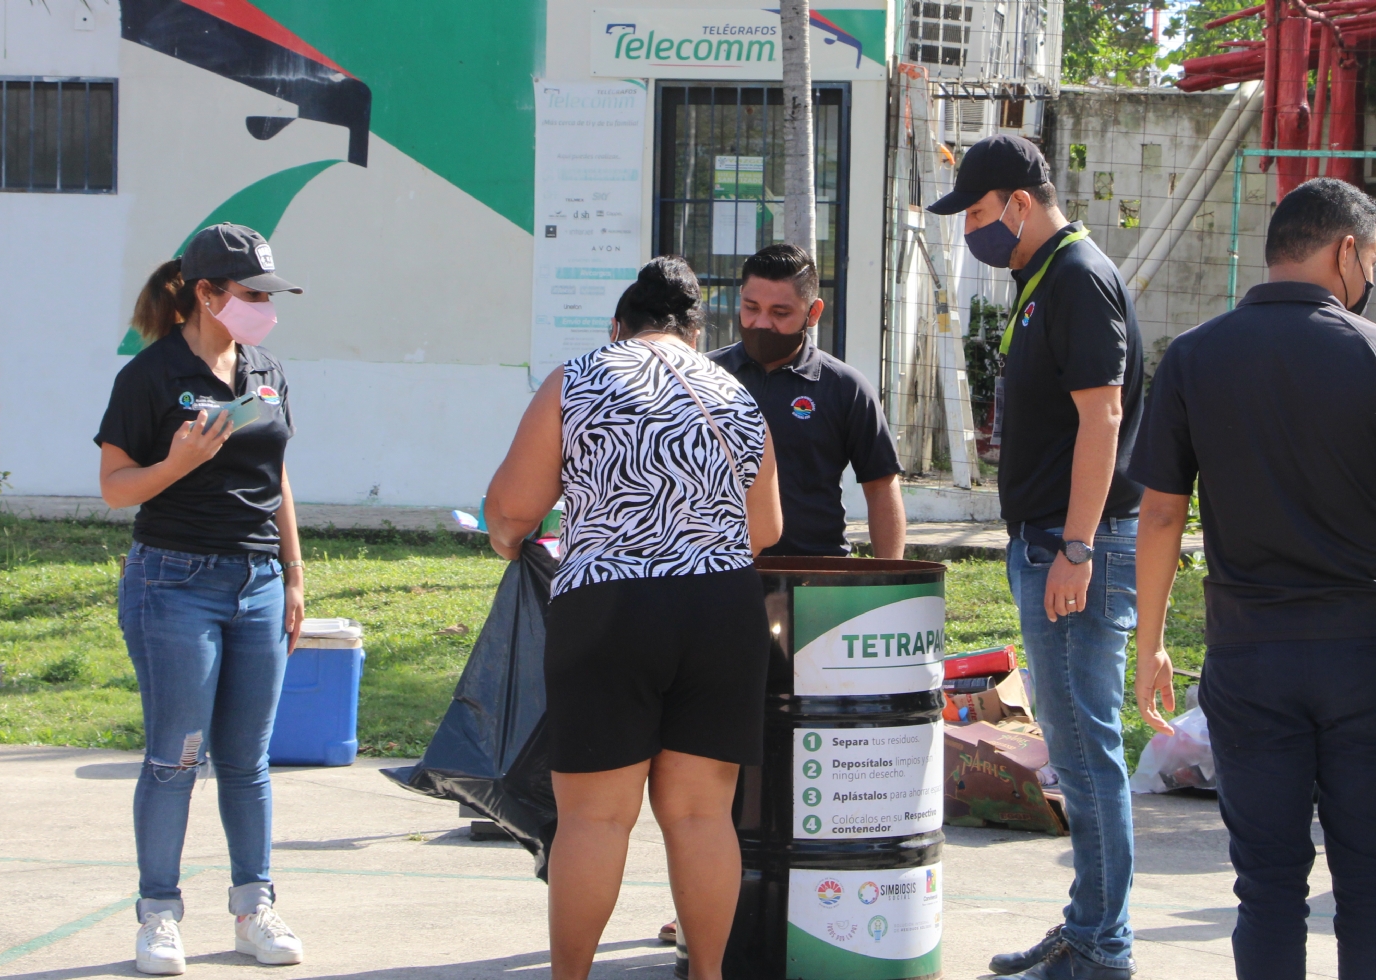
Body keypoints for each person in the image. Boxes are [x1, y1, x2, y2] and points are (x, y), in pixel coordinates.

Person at [1130, 178, 1376, 980]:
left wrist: (1151, 647)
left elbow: (1159, 518)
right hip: (1372, 656)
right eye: (1372, 260)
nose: (1370, 281)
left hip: (1252, 657)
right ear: (1345, 249)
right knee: (1371, 884)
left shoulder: (1194, 356)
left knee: (1269, 885)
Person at [483, 256, 782, 980]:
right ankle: (707, 975)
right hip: (721, 613)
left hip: (611, 610)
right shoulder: (735, 393)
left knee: (595, 818)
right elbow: (765, 527)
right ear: (694, 331)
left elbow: (511, 510)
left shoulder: (580, 376)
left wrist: (510, 541)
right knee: (703, 816)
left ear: (619, 327)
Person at [927, 134, 1145, 979]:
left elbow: (1105, 417)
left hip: (1072, 545)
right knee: (1076, 747)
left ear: (1022, 200)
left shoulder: (1078, 277)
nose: (975, 231)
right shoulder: (1042, 278)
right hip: (1051, 538)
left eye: (980, 214)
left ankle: (1102, 946)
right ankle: (1089, 928)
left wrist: (1079, 547)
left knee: (1086, 753)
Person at [96, 223, 308, 975]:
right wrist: (179, 461)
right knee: (175, 757)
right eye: (251, 294)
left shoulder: (269, 370)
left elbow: (277, 474)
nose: (264, 307)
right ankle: (159, 914)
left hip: (257, 584)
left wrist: (293, 572)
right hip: (173, 583)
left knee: (248, 761)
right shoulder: (149, 376)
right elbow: (116, 489)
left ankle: (255, 909)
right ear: (206, 293)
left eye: (268, 295)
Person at [709, 243, 905, 559]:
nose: (761, 323)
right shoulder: (702, 378)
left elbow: (881, 487)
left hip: (815, 575)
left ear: (812, 313)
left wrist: (891, 581)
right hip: (718, 571)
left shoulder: (845, 388)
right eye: (751, 307)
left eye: (780, 312)